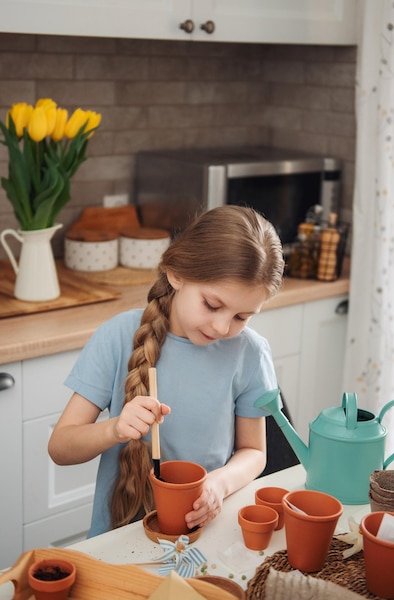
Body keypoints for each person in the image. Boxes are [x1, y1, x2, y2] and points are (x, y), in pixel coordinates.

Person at [48, 205, 285, 538]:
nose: (221, 326)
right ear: (177, 274)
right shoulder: (118, 336)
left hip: (205, 533)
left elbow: (255, 452)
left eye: (241, 317)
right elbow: (60, 447)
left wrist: (219, 483)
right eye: (213, 305)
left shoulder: (250, 353)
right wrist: (115, 429)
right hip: (120, 538)